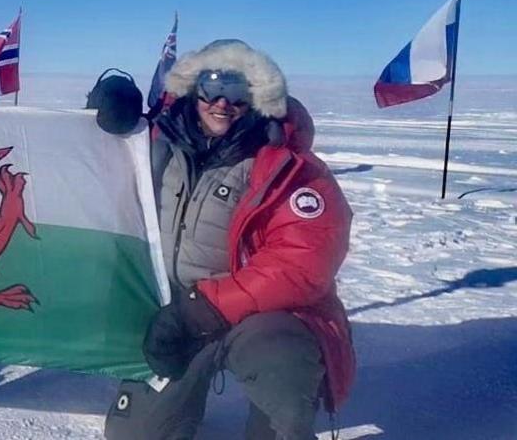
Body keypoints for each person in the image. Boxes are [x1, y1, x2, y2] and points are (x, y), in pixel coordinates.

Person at [95, 39, 355, 440]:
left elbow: (301, 263)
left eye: (237, 93)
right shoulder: (156, 141)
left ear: (257, 97)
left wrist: (204, 309)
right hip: (173, 308)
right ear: (191, 89)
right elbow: (78, 167)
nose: (222, 103)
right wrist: (108, 113)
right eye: (211, 89)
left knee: (281, 362)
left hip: (259, 315)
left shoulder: (288, 164)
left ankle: (279, 432)